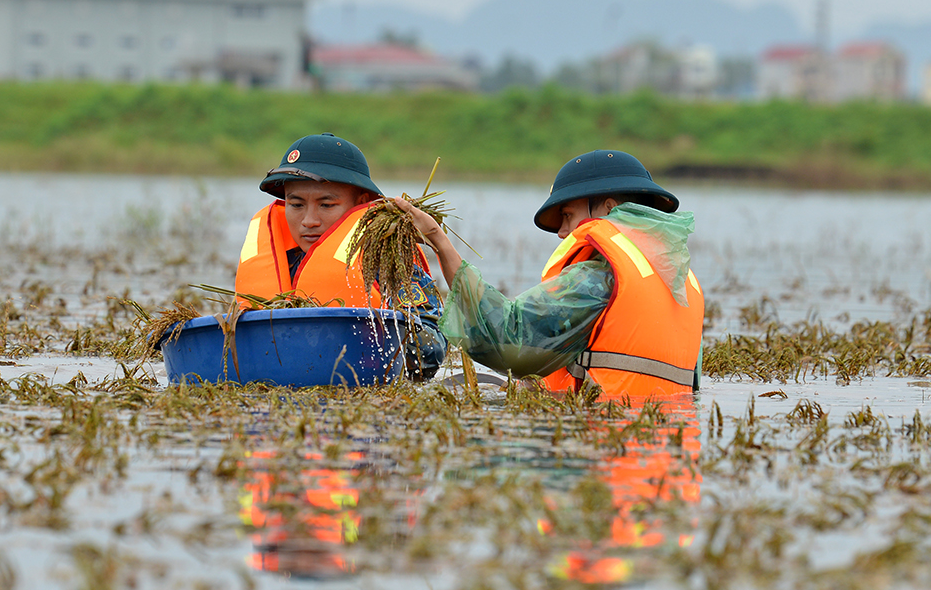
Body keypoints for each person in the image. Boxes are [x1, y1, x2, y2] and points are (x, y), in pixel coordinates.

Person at [394, 149, 704, 399]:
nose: (563, 232)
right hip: (656, 451)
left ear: (608, 209)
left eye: (568, 216)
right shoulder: (680, 280)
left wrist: (439, 239)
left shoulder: (598, 278)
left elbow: (507, 339)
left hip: (602, 450)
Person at [236, 133, 446, 380]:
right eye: (296, 205)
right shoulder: (282, 258)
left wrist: (366, 340)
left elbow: (432, 349)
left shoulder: (385, 258)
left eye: (326, 205)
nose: (309, 221)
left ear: (361, 203)